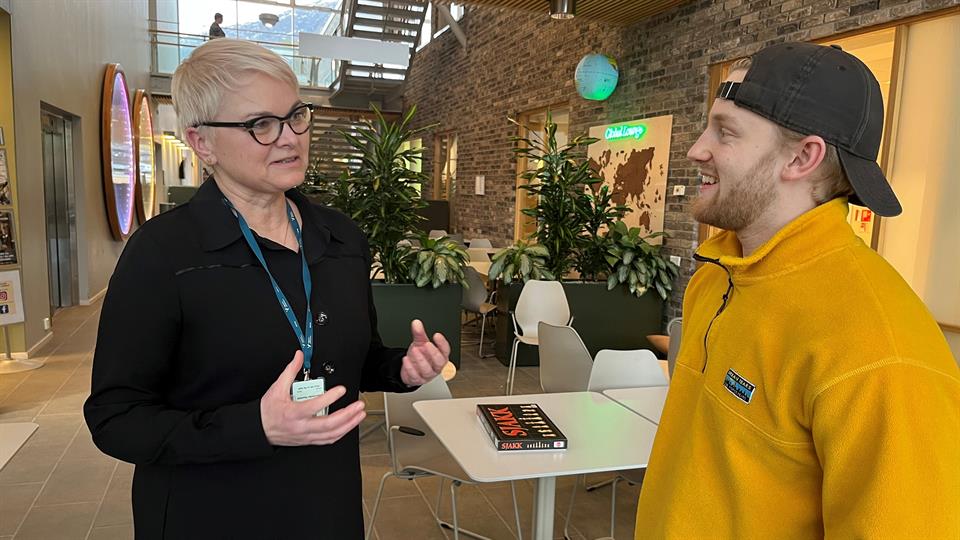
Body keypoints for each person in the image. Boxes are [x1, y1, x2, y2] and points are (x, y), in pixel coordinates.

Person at [84, 38, 450, 539]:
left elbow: (352, 359)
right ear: (201, 142)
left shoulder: (340, 237)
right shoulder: (163, 254)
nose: (289, 138)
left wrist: (401, 369)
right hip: (210, 513)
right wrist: (255, 426)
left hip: (327, 505)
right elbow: (115, 418)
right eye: (260, 124)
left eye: (296, 116)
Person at [635, 42, 959, 538]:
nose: (696, 149)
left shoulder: (879, 350)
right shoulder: (719, 274)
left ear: (803, 157)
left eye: (725, 132)